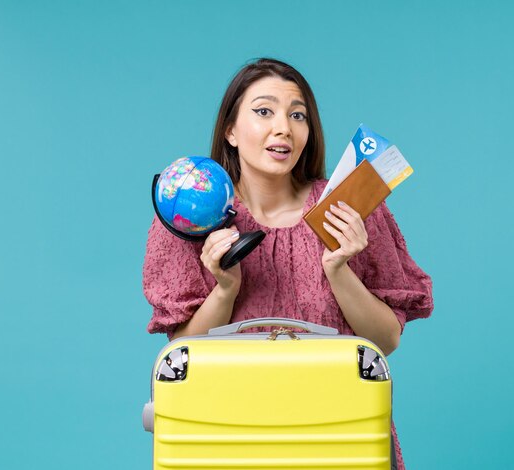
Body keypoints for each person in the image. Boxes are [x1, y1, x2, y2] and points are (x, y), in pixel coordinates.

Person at [143, 58, 433, 470]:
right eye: (264, 111)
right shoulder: (188, 214)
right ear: (230, 130)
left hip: (336, 437)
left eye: (298, 115)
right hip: (227, 438)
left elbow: (384, 342)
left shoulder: (350, 210)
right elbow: (183, 351)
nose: (284, 127)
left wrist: (338, 268)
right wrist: (225, 289)